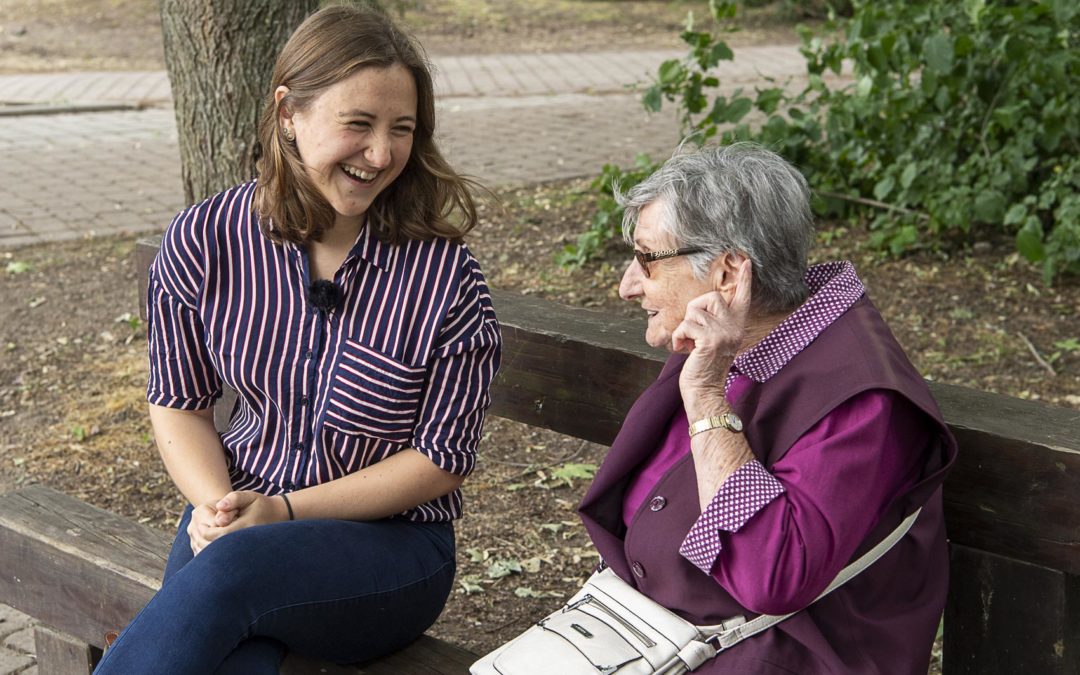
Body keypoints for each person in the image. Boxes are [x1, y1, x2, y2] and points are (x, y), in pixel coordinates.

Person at [94, 6, 501, 674]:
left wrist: (279, 513)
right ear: (289, 112)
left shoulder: (446, 279)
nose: (381, 154)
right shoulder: (205, 240)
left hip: (389, 549)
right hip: (236, 518)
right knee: (231, 655)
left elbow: (440, 460)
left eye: (401, 130)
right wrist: (215, 506)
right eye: (359, 125)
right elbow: (178, 401)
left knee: (224, 582)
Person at [576, 143, 956, 674]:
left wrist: (708, 401)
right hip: (651, 639)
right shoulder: (730, 333)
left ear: (729, 273)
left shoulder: (863, 401)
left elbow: (771, 575)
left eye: (647, 259)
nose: (627, 285)